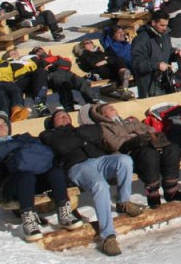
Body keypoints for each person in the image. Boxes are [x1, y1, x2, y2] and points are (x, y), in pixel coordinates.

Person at [39, 108, 144, 256]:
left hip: (99, 160)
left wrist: (76, 137)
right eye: (59, 117)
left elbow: (97, 131)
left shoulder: (81, 129)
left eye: (66, 116)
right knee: (100, 185)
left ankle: (123, 202)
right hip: (77, 166)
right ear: (52, 123)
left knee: (124, 160)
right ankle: (108, 236)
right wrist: (82, 137)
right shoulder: (49, 134)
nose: (64, 118)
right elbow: (62, 147)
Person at [0, 111, 83, 242]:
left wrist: (19, 144)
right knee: (26, 177)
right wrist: (20, 145)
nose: (2, 127)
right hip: (8, 186)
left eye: (4, 124)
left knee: (55, 172)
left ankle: (65, 213)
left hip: (35, 179)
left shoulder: (20, 139)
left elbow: (43, 151)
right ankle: (28, 220)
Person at [84, 102, 181, 207]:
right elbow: (114, 143)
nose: (112, 108)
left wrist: (138, 134)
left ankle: (171, 190)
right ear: (102, 115)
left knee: (172, 148)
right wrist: (134, 137)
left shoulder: (130, 121)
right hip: (128, 153)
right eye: (108, 108)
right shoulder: (103, 128)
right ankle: (152, 193)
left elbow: (150, 129)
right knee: (148, 154)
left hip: (149, 144)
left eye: (112, 106)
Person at [130, 10, 181, 98]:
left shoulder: (164, 35)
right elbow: (137, 63)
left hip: (165, 80)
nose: (165, 28)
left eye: (166, 25)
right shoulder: (141, 39)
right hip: (148, 83)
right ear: (153, 23)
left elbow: (167, 51)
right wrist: (156, 65)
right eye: (162, 25)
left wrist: (175, 54)